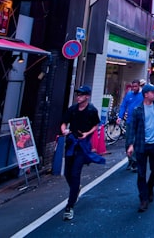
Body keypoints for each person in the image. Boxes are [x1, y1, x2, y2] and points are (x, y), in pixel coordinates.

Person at [60, 85, 103, 220]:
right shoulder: (72, 109)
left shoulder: (91, 110)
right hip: (71, 143)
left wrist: (87, 133)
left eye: (81, 94)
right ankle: (75, 188)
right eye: (77, 94)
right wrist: (64, 130)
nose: (78, 97)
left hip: (83, 145)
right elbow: (63, 122)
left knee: (75, 172)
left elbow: (96, 125)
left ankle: (69, 206)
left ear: (87, 96)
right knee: (67, 172)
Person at [127, 83, 154, 212]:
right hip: (141, 145)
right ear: (146, 94)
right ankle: (143, 199)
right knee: (141, 173)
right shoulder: (138, 110)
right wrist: (131, 145)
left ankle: (150, 187)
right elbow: (132, 129)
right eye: (152, 92)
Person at [117, 79, 143, 171]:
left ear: (139, 86)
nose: (134, 88)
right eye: (133, 87)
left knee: (136, 141)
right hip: (129, 121)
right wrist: (120, 116)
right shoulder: (129, 94)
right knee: (128, 141)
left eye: (136, 86)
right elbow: (123, 105)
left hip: (139, 122)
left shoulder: (142, 95)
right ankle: (130, 160)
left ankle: (135, 161)